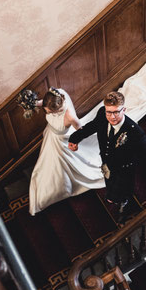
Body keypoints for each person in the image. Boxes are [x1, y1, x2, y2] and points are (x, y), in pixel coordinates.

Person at [68, 91, 146, 220]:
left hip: (125, 169)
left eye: (116, 112)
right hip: (106, 161)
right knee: (110, 183)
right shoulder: (102, 114)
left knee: (124, 190)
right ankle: (114, 197)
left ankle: (125, 203)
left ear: (124, 109)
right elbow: (91, 127)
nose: (112, 117)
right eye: (109, 112)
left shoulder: (135, 132)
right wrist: (74, 138)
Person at [26, 87, 105, 215]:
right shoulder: (57, 94)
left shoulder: (70, 117)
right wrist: (31, 103)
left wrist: (76, 144)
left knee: (56, 170)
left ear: (56, 109)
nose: (48, 113)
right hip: (52, 138)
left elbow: (81, 132)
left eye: (50, 112)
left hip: (63, 144)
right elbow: (44, 103)